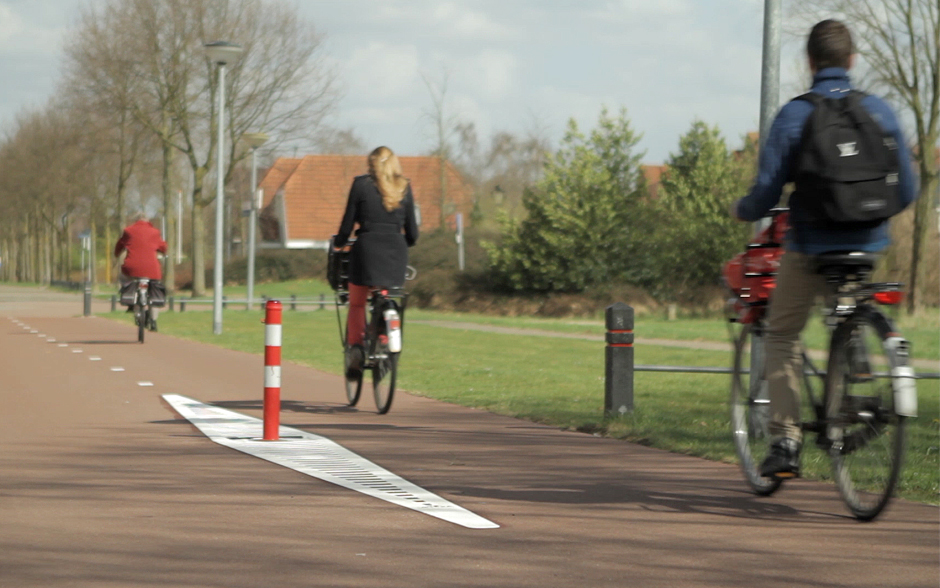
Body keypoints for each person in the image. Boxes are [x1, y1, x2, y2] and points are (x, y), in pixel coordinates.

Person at [730, 20, 917, 479]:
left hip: (811, 246)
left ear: (810, 62)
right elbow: (908, 190)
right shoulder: (879, 110)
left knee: (782, 334)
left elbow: (766, 191)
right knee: (847, 310)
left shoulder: (795, 115)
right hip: (868, 245)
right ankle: (856, 380)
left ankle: (786, 440)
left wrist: (743, 209)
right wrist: (871, 220)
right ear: (852, 60)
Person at [334, 146, 419, 377]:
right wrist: (401, 243)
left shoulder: (361, 185)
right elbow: (412, 233)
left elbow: (347, 223)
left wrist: (339, 242)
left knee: (357, 303)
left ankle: (356, 350)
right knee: (384, 295)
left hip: (366, 250)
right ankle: (383, 339)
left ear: (371, 164)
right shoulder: (404, 187)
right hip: (395, 254)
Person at [114, 213, 168, 327]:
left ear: (136, 220)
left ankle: (130, 301)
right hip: (151, 268)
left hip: (132, 267)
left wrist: (117, 254)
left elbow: (119, 246)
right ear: (148, 221)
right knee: (154, 291)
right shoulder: (155, 232)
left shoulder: (128, 231)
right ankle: (153, 320)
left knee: (124, 278)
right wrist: (162, 251)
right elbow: (163, 247)